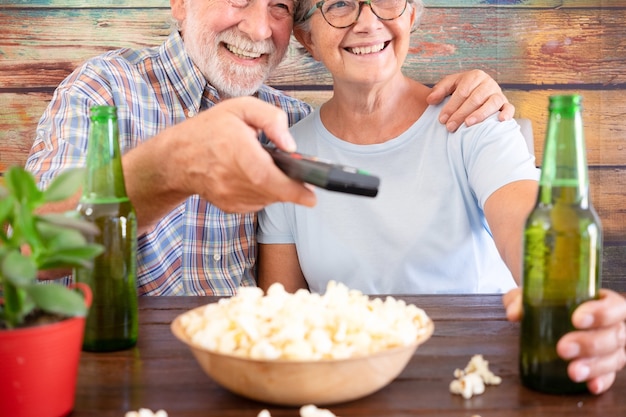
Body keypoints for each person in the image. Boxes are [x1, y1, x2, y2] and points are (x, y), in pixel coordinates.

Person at [256, 0, 626, 393]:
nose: (368, 22)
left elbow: (528, 221)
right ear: (306, 36)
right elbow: (281, 317)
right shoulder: (287, 157)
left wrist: (561, 292)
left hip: (478, 381)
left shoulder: (473, 121)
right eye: (340, 4)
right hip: (348, 390)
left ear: (411, 15)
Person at [25, 0, 512, 296]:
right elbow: (26, 252)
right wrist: (169, 169)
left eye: (278, 5)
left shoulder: (293, 127)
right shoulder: (103, 92)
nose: (259, 30)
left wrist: (480, 97)